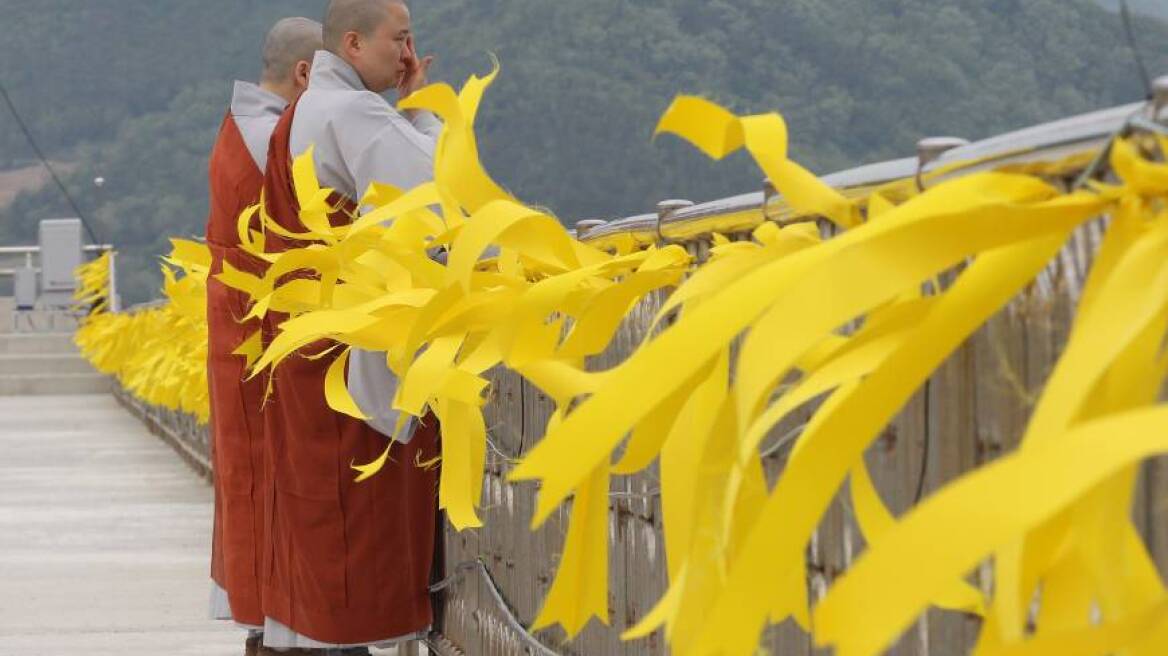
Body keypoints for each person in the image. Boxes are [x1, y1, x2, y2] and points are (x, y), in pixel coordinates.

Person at [257, 0, 442, 652]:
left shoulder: (307, 112)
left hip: (309, 351)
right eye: (401, 38)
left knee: (322, 524)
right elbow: (432, 194)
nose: (407, 53)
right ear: (356, 43)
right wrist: (423, 106)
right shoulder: (351, 111)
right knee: (367, 532)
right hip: (350, 361)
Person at [205, 16, 322, 656]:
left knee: (261, 485)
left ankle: (275, 629)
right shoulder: (276, 138)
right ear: (306, 74)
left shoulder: (241, 128)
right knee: (281, 489)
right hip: (270, 343)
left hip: (245, 338)